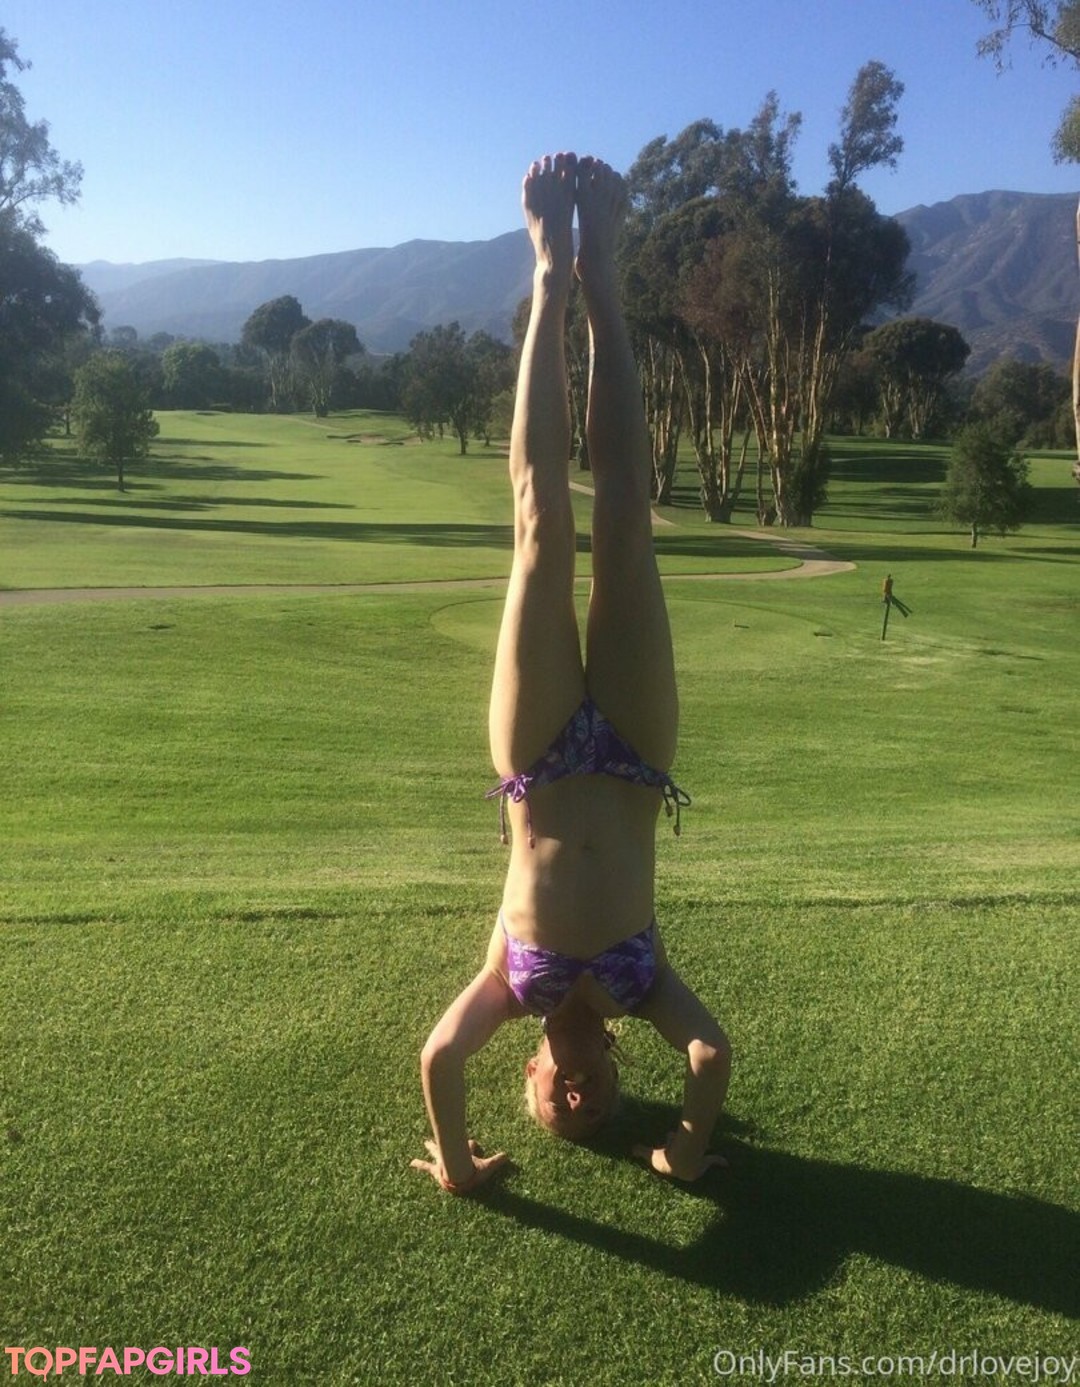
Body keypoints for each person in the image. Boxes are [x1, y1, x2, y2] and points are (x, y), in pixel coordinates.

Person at [410, 153, 731, 1195]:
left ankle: (551, 283)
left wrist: (459, 1165)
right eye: (598, 1107)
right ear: (619, 1078)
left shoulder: (512, 986)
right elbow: (711, 1056)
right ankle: (610, 287)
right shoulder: (646, 990)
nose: (579, 1100)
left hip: (539, 758)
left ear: (534, 1074)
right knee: (629, 527)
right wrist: (685, 1144)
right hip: (635, 757)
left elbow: (438, 1057)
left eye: (559, 1105)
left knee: (541, 529)